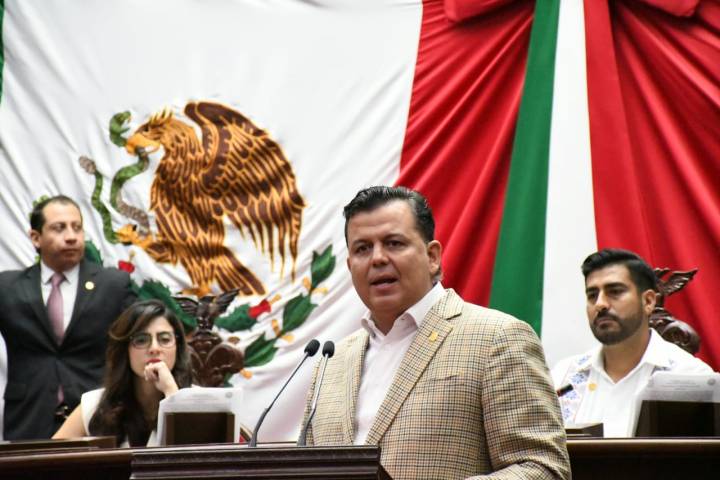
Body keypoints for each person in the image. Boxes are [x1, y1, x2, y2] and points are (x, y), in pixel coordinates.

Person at [301, 186, 570, 480]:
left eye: (393, 243)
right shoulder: (330, 361)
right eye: (362, 248)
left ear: (432, 256)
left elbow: (544, 469)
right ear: (350, 265)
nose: (377, 258)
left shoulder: (498, 338)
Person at [0, 195, 137, 440]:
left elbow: (138, 339)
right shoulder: (7, 288)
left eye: (77, 227)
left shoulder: (113, 285)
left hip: (95, 414)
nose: (71, 236)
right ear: (36, 237)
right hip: (29, 416)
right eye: (59, 228)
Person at [551, 248, 712, 437]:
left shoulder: (690, 377)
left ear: (648, 301)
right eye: (592, 295)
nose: (600, 304)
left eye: (615, 292)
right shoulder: (563, 378)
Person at [53, 299, 192, 446]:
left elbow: (195, 454)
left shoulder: (199, 401)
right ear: (125, 350)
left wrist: (171, 392)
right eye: (141, 340)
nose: (154, 348)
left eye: (164, 339)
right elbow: (50, 455)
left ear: (178, 347)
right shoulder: (94, 404)